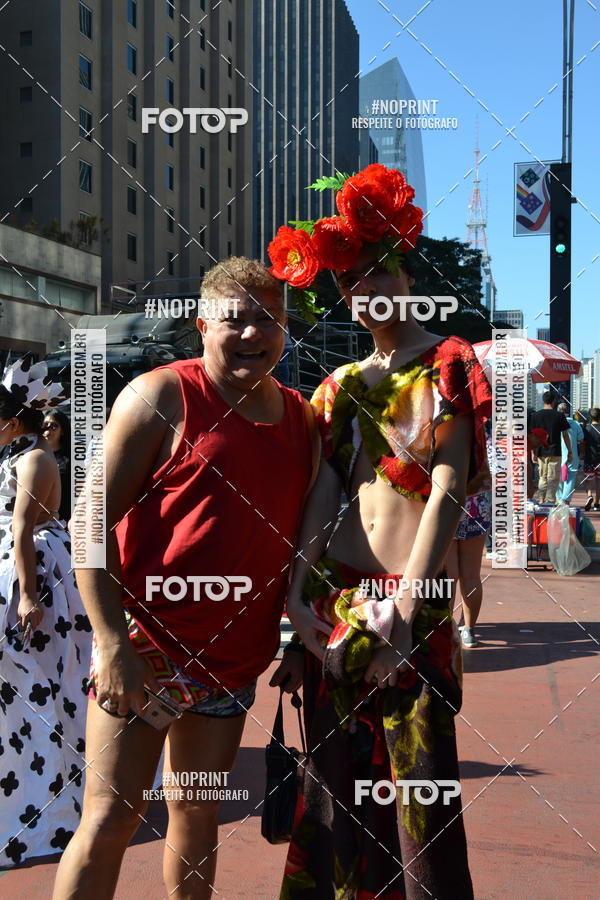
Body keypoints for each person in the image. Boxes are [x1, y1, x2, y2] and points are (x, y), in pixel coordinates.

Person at [53, 258, 318, 899]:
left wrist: (297, 634)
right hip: (146, 651)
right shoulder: (161, 395)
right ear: (202, 325)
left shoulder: (302, 418)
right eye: (236, 320)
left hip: (231, 665)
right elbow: (88, 522)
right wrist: (112, 643)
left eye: (270, 320)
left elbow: (301, 540)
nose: (254, 333)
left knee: (198, 815)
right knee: (111, 818)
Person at [268, 165, 491, 898]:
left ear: (403, 270)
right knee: (333, 791)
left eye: (374, 274)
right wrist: (294, 603)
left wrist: (406, 606)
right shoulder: (337, 386)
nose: (363, 293)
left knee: (417, 795)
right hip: (336, 600)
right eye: (348, 283)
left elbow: (450, 486)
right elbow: (324, 492)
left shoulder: (448, 365)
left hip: (411, 606)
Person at [0, 357, 92, 866]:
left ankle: (50, 792)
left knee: (45, 677)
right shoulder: (15, 454)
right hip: (17, 564)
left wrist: (28, 594)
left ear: (15, 420)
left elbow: (21, 533)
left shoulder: (34, 460)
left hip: (34, 570)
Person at [530, 391, 572, 504]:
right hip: (555, 451)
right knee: (553, 478)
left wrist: (532, 453)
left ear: (543, 401)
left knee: (542, 477)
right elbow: (565, 435)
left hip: (540, 450)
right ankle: (550, 501)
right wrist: (570, 451)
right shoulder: (559, 416)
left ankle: (541, 499)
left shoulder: (535, 416)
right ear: (554, 401)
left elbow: (532, 436)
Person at [42, 410, 72, 522]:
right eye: (45, 425)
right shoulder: (33, 455)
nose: (48, 430)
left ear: (62, 431)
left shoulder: (71, 460)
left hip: (63, 519)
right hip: (39, 517)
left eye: (54, 426)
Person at [555, 402, 584, 504]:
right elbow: (581, 440)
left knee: (558, 478)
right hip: (572, 455)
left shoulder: (555, 423)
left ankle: (559, 500)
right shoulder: (576, 424)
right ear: (569, 412)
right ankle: (565, 501)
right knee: (570, 478)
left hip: (557, 455)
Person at [582, 407, 600, 510]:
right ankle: (597, 503)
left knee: (588, 480)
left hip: (589, 458)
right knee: (599, 481)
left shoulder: (587, 429)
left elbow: (582, 442)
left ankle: (589, 495)